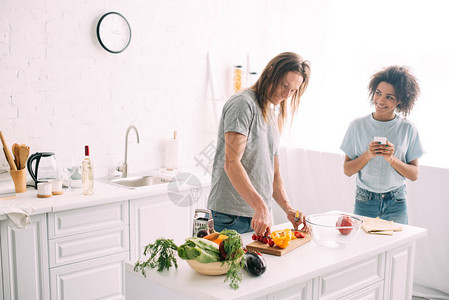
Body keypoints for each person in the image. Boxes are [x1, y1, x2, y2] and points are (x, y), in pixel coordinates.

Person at [207, 52, 311, 236]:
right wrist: (261, 207)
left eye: (293, 91)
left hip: (256, 219)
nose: (287, 95)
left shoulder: (271, 114)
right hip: (230, 217)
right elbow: (231, 164)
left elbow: (274, 174)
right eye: (284, 85)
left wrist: (288, 209)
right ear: (270, 72)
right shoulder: (243, 104)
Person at [340, 65, 423, 224]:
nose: (380, 101)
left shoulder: (408, 128)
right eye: (378, 93)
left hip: (396, 201)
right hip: (364, 200)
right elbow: (347, 170)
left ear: (400, 100)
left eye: (389, 97)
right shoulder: (357, 126)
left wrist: (391, 159)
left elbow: (414, 174)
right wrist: (368, 155)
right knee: (363, 246)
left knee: (397, 247)